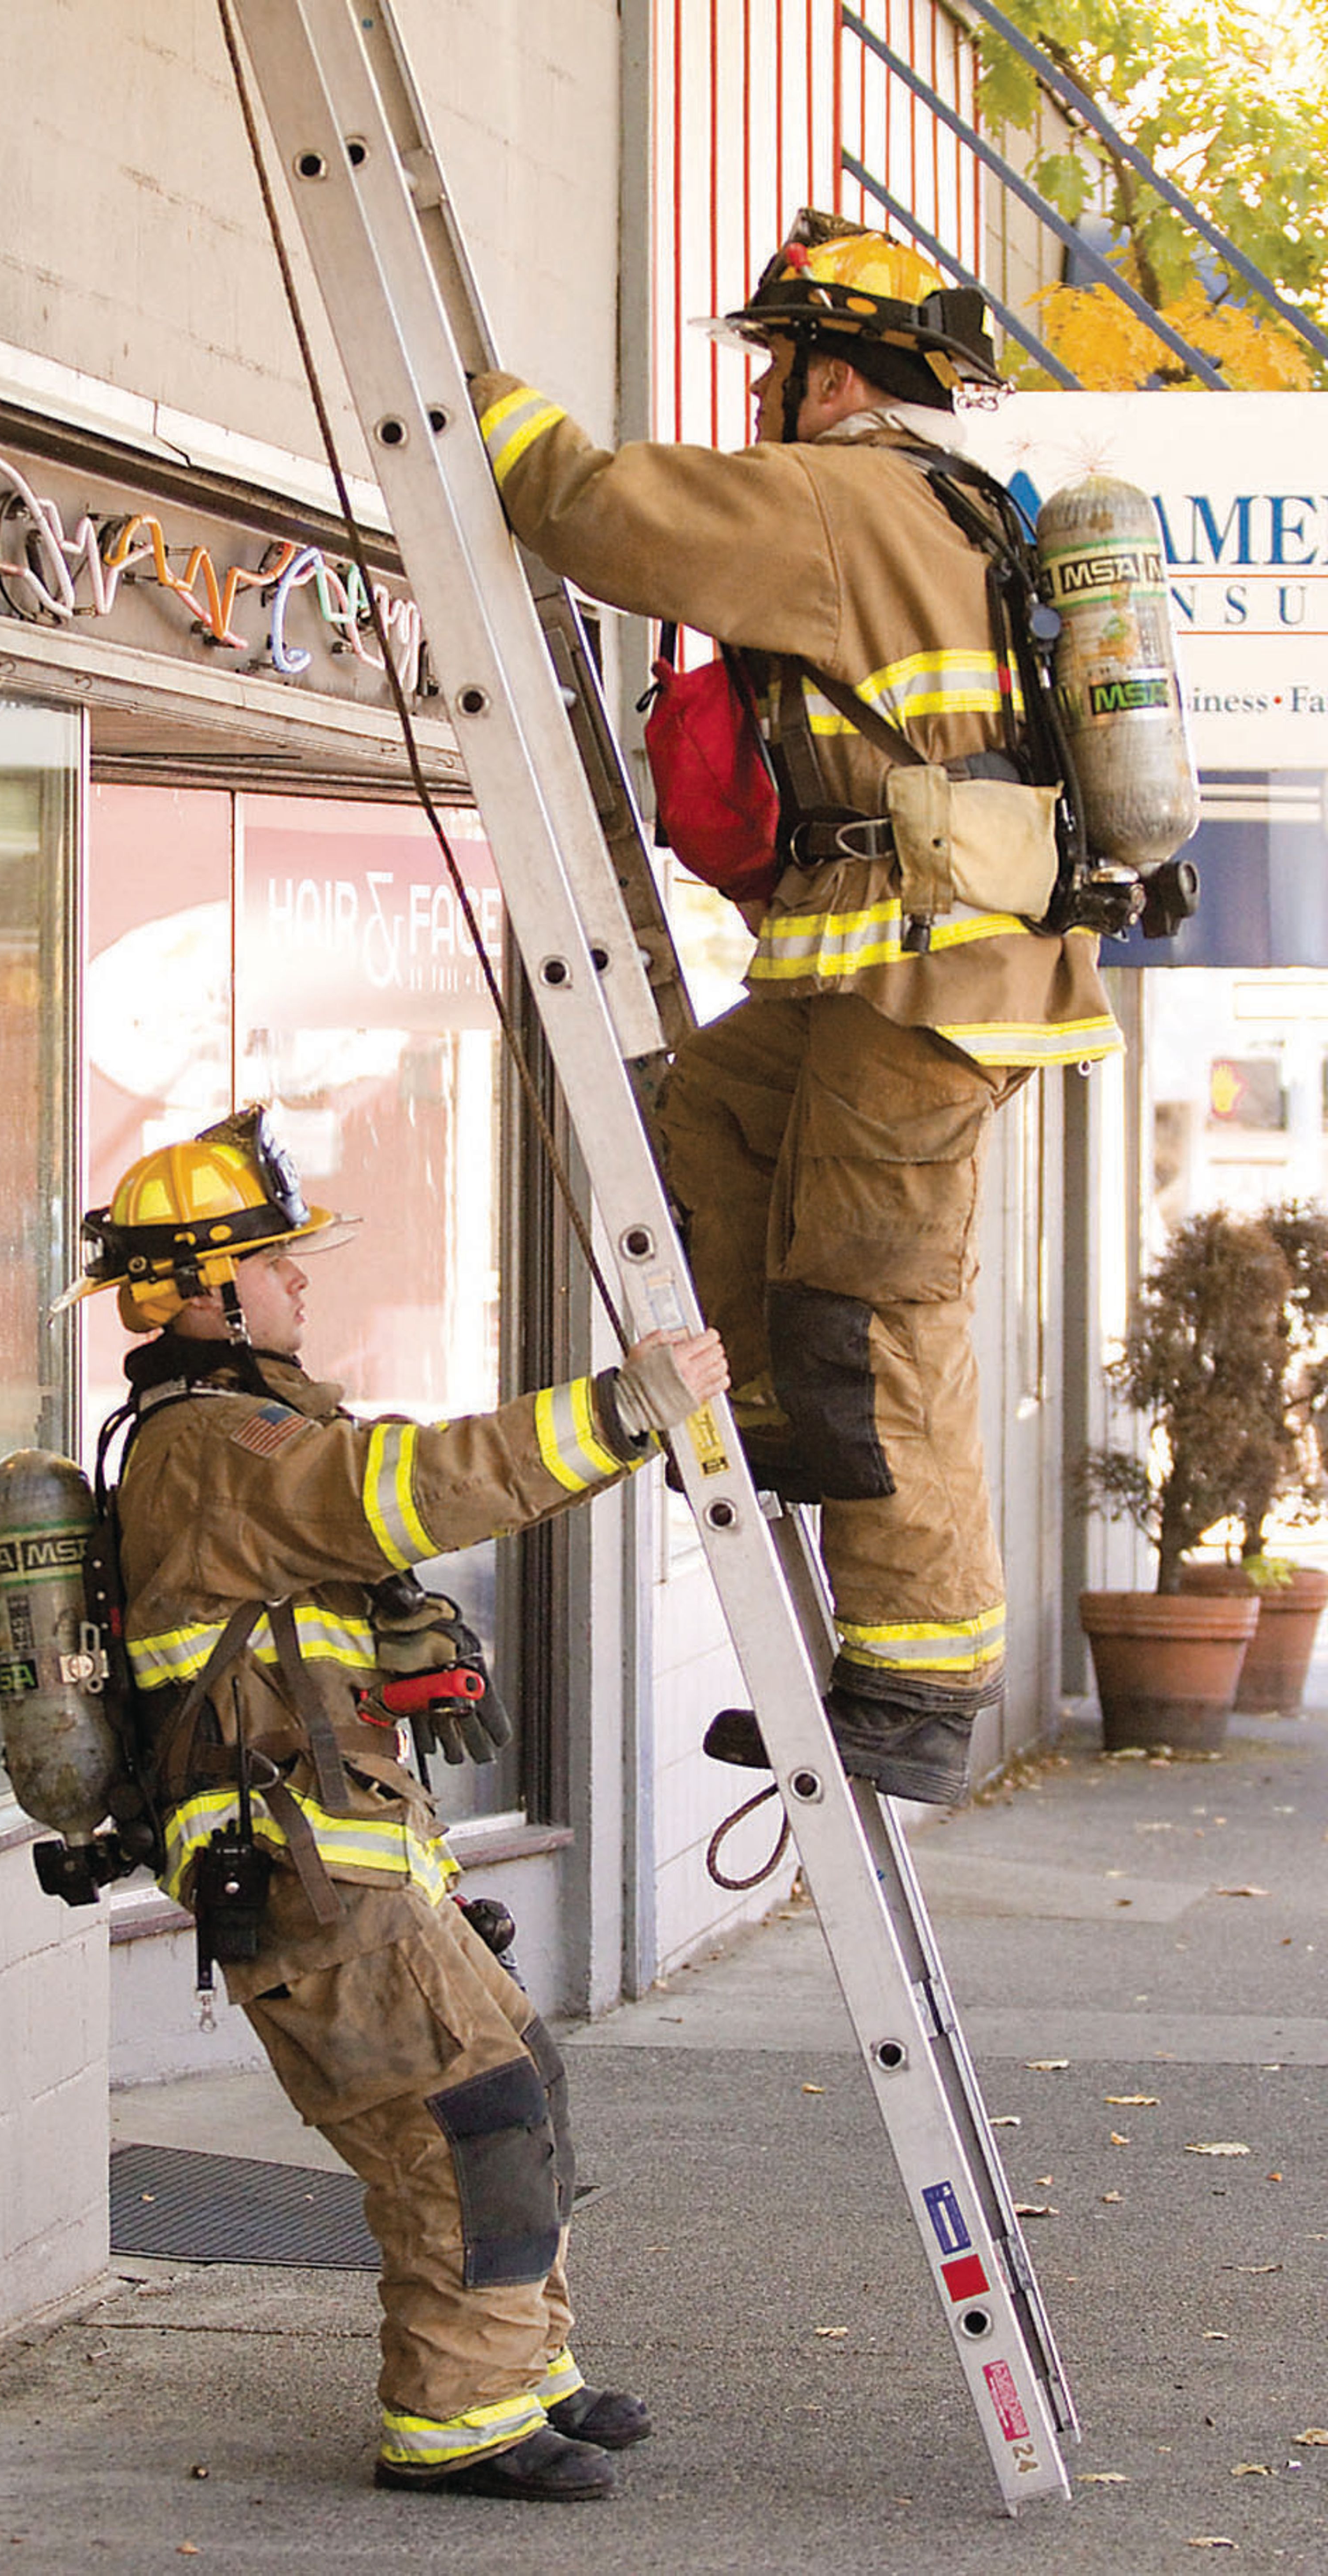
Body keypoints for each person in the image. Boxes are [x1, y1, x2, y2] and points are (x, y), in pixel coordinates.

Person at [469, 210, 1122, 1808]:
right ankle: (780, 1417)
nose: (767, 388)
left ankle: (915, 1681)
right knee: (717, 1109)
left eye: (779, 362)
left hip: (932, 966)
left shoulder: (847, 499)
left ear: (835, 372)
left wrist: (467, 396)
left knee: (875, 1303)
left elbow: (604, 512)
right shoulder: (958, 505)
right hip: (875, 962)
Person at [71, 1105, 726, 2502]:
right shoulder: (217, 1448)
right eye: (275, 1261)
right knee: (457, 2128)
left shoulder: (240, 1428)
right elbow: (410, 1488)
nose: (303, 1281)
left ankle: (518, 2365)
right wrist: (621, 1409)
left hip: (355, 1867)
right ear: (200, 1293)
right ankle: (455, 2421)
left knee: (516, 2092)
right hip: (306, 1886)